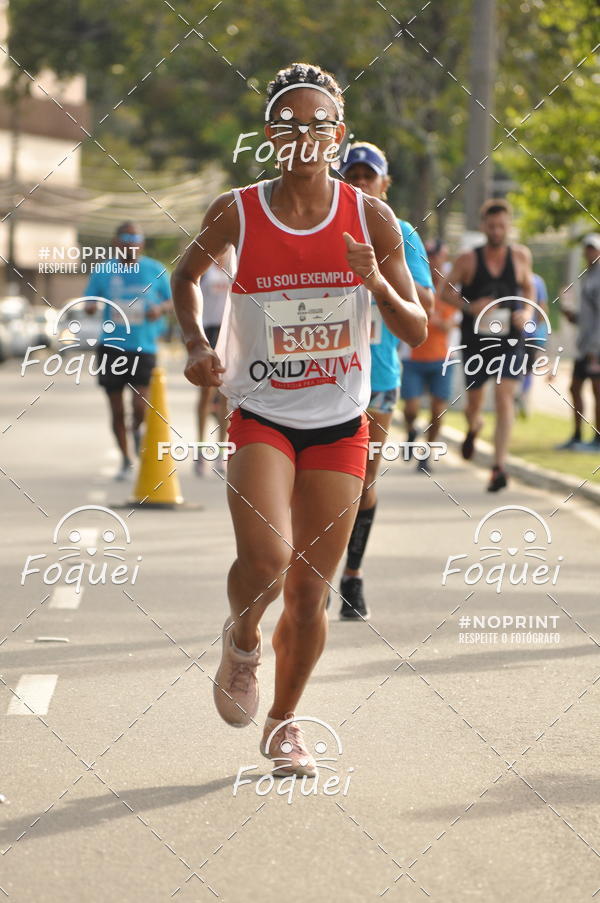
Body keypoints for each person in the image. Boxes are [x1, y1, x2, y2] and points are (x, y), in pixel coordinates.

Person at [171, 62, 427, 776]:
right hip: (262, 413)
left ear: (338, 135)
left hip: (341, 419)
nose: (304, 134)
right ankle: (243, 635)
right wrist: (196, 343)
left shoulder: (371, 218)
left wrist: (374, 277)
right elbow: (185, 274)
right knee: (267, 560)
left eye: (319, 124)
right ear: (270, 137)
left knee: (312, 590)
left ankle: (285, 723)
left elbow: (415, 326)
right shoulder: (238, 210)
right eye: (290, 123)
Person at [335, 141, 434, 620]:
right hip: (324, 373)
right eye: (350, 175)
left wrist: (376, 281)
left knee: (362, 482)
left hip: (378, 376)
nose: (358, 184)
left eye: (367, 177)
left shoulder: (400, 231)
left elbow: (427, 309)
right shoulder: (321, 224)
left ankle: (352, 575)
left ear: (384, 184)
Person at [439, 199, 534, 492]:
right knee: (475, 403)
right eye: (491, 225)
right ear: (483, 227)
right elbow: (445, 291)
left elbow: (529, 287)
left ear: (508, 226)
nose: (497, 230)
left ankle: (498, 467)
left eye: (502, 225)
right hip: (477, 341)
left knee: (505, 397)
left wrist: (526, 312)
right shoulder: (468, 259)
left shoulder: (520, 256)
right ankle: (474, 427)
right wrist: (470, 306)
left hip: (510, 339)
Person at [84, 223, 172, 479]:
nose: (131, 244)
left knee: (140, 404)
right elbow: (90, 299)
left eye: (136, 239)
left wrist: (161, 309)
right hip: (111, 346)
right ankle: (125, 459)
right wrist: (91, 306)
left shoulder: (155, 270)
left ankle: (137, 435)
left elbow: (173, 299)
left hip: (144, 346)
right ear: (116, 242)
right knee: (116, 408)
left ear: (142, 243)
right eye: (126, 239)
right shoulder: (103, 271)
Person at [402, 238, 455, 474]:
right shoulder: (413, 282)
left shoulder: (452, 289)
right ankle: (411, 430)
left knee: (437, 409)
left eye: (438, 257)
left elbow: (451, 322)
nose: (434, 262)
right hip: (413, 357)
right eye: (429, 257)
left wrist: (438, 320)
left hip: (442, 358)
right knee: (411, 408)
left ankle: (427, 454)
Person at [559, 234, 600, 450]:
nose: (591, 253)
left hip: (596, 348)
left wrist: (595, 349)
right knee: (574, 388)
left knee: (597, 391)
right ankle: (576, 435)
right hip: (584, 348)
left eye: (594, 249)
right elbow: (589, 316)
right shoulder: (588, 276)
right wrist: (571, 315)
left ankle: (597, 439)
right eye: (588, 249)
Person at [195, 250, 233, 476]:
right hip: (209, 331)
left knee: (226, 395)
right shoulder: (205, 270)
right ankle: (200, 450)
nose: (221, 254)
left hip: (227, 333)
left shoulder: (233, 268)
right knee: (206, 394)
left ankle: (221, 452)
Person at [516, 271, 549, 417]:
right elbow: (542, 309)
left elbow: (542, 308)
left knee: (518, 368)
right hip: (529, 334)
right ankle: (523, 395)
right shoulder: (538, 280)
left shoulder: (533, 280)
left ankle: (520, 397)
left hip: (519, 334)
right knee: (526, 369)